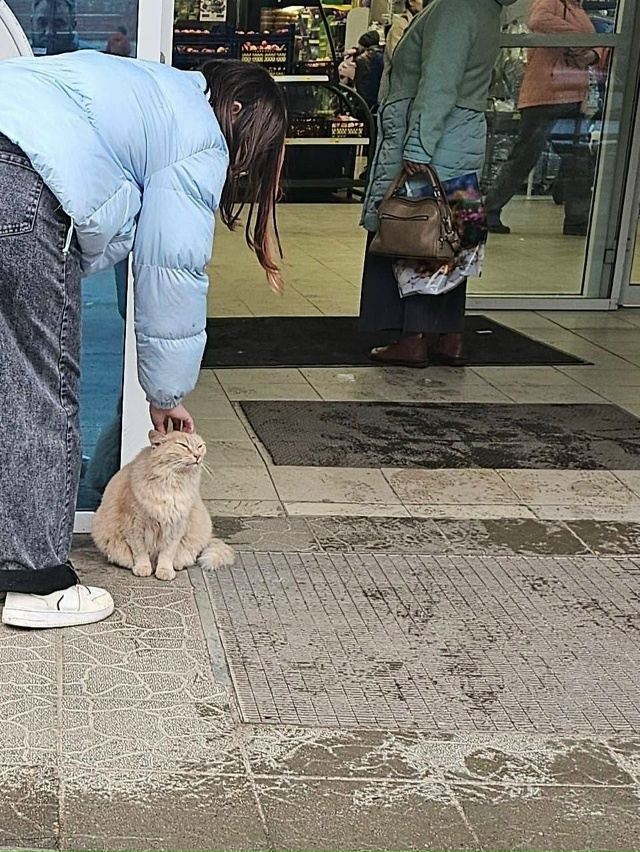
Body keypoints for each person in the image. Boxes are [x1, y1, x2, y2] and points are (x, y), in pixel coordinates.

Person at [0, 53, 286, 629]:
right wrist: (166, 391)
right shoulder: (196, 130)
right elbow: (169, 269)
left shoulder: (150, 88)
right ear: (234, 110)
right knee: (41, 388)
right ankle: (37, 584)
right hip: (18, 180)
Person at [360, 0, 517, 367]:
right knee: (455, 237)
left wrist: (419, 143)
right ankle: (450, 336)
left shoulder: (455, 8)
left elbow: (439, 84)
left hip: (438, 141)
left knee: (419, 233)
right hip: (462, 140)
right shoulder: (485, 8)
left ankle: (412, 338)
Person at [484, 0, 601, 236]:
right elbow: (538, 21)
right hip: (544, 94)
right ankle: (489, 210)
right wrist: (578, 40)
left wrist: (589, 53)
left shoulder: (578, 9)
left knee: (578, 161)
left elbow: (599, 46)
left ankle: (577, 219)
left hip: (573, 94)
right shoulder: (550, 2)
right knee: (525, 157)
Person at [378, 0, 424, 102]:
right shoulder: (400, 26)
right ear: (411, 2)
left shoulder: (418, 24)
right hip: (395, 94)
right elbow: (398, 58)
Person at [353, 31, 385, 111]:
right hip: (379, 100)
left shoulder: (361, 60)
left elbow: (361, 84)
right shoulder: (383, 56)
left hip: (364, 101)